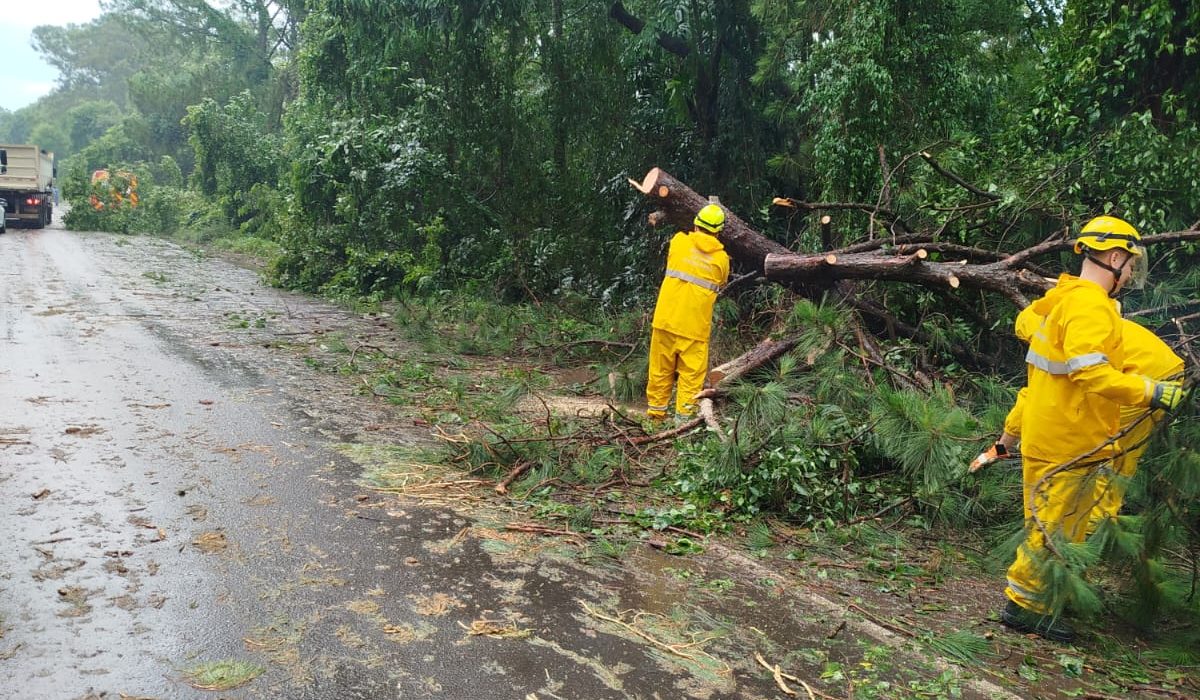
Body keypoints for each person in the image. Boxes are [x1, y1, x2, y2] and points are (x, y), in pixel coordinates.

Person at [986, 215, 1185, 642]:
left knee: (1048, 521)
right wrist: (1150, 392)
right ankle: (1024, 608)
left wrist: (1006, 441)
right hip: (1070, 439)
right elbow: (1091, 374)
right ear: (1115, 257)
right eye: (1129, 264)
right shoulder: (1090, 307)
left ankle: (1043, 598)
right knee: (1054, 526)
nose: (1129, 273)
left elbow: (1041, 383)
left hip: (1051, 432)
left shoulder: (1062, 302)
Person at [973, 318, 1184, 526]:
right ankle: (1088, 523)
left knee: (1109, 448)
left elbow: (1029, 403)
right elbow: (1031, 399)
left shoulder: (1064, 347)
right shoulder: (1069, 322)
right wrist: (998, 449)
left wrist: (999, 450)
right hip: (1164, 369)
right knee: (1114, 449)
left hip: (1145, 377)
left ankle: (1092, 529)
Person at [646, 203, 731, 421]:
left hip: (665, 321)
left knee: (659, 373)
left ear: (695, 224)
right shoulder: (722, 260)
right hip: (694, 330)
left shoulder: (678, 243)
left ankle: (655, 421)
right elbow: (721, 281)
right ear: (719, 232)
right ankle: (682, 431)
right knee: (690, 380)